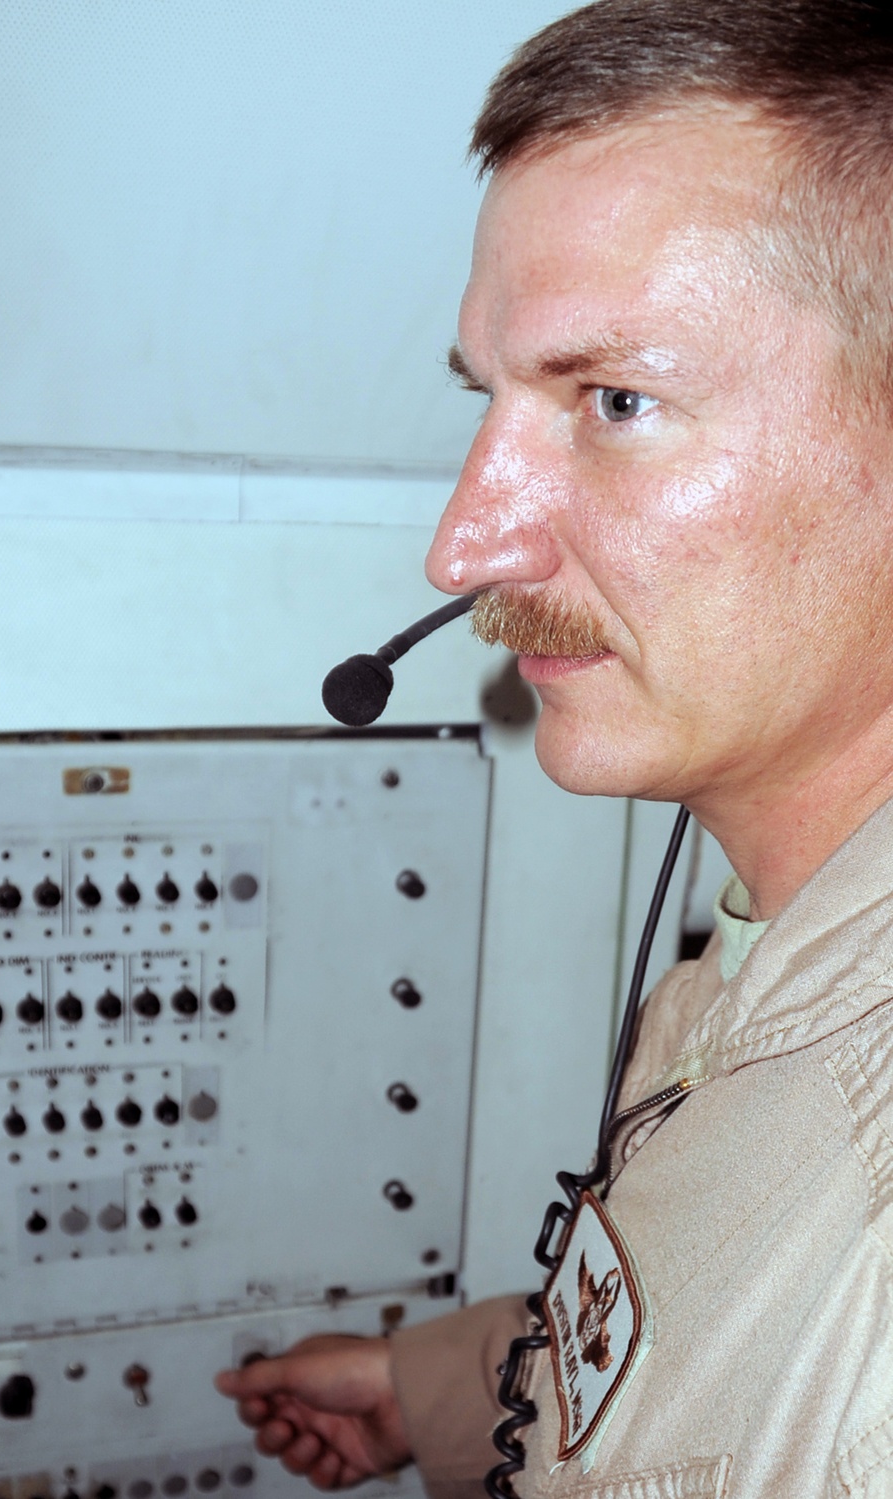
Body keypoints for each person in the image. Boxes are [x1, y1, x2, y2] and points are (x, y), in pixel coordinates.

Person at [217, 1, 893, 1494]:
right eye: (494, 401)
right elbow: (732, 1325)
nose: (464, 544)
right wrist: (435, 1390)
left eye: (617, 403)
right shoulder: (780, 943)